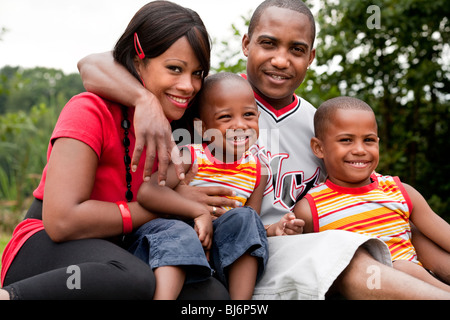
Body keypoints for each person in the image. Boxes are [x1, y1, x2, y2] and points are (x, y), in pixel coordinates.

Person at [76, 0, 450, 299]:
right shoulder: (209, 98)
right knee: (340, 256)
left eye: (297, 49)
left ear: (311, 57)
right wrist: (143, 99)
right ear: (246, 44)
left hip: (287, 240)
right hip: (229, 243)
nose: (281, 59)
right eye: (268, 43)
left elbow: (357, 193)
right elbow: (91, 65)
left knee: (400, 228)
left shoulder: (320, 124)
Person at [0, 1, 231, 300]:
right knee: (131, 278)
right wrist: (167, 204)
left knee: (211, 296)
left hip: (124, 247)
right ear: (138, 62)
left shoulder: (183, 126)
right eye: (174, 69)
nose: (188, 85)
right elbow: (62, 222)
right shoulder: (90, 110)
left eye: (197, 73)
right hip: (46, 248)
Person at [293, 96, 450, 293]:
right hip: (366, 289)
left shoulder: (400, 191)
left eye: (368, 140)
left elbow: (445, 237)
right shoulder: (309, 208)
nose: (360, 150)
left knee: (405, 267)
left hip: (419, 288)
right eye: (346, 140)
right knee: (400, 267)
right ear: (319, 148)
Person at [132, 72, 268, 299]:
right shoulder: (191, 156)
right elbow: (148, 192)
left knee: (246, 218)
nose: (240, 125)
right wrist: (198, 211)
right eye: (226, 117)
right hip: (175, 241)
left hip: (221, 250)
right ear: (203, 128)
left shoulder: (258, 169)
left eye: (248, 115)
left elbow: (251, 226)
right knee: (179, 232)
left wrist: (273, 230)